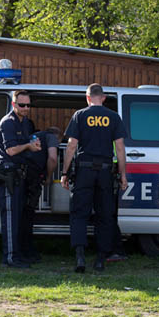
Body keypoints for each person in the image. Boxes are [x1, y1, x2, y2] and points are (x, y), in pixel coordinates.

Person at [61, 83, 128, 273]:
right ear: (104, 98)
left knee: (79, 214)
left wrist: (65, 172)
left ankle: (80, 257)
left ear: (87, 97)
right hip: (106, 172)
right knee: (105, 215)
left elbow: (72, 145)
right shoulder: (113, 117)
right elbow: (120, 148)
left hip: (84, 171)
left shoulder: (80, 115)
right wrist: (123, 174)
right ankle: (100, 259)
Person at [0, 90, 41, 268]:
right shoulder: (8, 123)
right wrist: (29, 146)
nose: (25, 108)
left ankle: (20, 254)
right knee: (10, 218)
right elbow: (11, 151)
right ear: (14, 104)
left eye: (28, 105)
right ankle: (10, 258)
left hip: (20, 174)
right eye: (22, 105)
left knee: (20, 217)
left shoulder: (25, 123)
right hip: (9, 174)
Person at [20, 127, 62, 262]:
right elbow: (53, 158)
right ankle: (27, 251)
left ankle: (21, 247)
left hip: (21, 175)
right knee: (29, 213)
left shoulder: (34, 136)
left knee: (22, 212)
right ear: (58, 136)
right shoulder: (52, 138)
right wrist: (49, 177)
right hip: (33, 176)